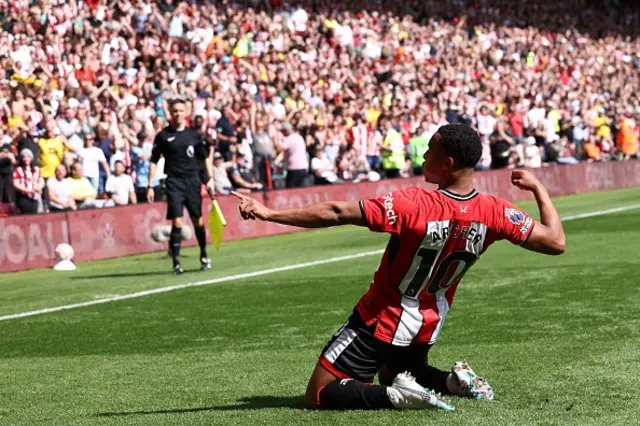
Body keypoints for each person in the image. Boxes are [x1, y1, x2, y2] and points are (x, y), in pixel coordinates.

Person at [232, 124, 566, 411]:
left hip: (383, 316)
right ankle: (453, 382)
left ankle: (396, 396)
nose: (423, 158)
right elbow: (555, 242)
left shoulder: (415, 203)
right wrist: (539, 189)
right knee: (395, 370)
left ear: (447, 164)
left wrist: (269, 213)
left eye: (429, 152)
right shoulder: (495, 211)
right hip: (430, 320)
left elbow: (336, 212)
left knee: (319, 394)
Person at [147, 99, 215, 275]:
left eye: (180, 110)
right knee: (177, 221)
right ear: (170, 113)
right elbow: (154, 160)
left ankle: (204, 255)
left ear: (186, 112)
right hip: (174, 182)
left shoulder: (194, 135)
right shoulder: (163, 136)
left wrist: (210, 179)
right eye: (174, 111)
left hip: (192, 181)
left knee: (197, 221)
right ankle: (176, 263)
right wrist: (150, 185)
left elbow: (204, 157)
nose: (177, 113)